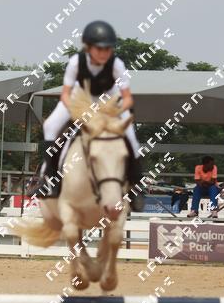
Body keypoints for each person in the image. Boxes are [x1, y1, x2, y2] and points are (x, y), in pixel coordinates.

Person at [34, 20, 145, 211]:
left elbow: (127, 99)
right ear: (88, 47)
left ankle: (136, 186)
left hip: (109, 99)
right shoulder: (76, 62)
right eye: (99, 48)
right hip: (79, 96)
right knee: (49, 126)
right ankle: (47, 177)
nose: (104, 53)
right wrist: (76, 112)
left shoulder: (117, 64)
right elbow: (65, 94)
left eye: (108, 49)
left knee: (131, 136)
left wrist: (114, 113)